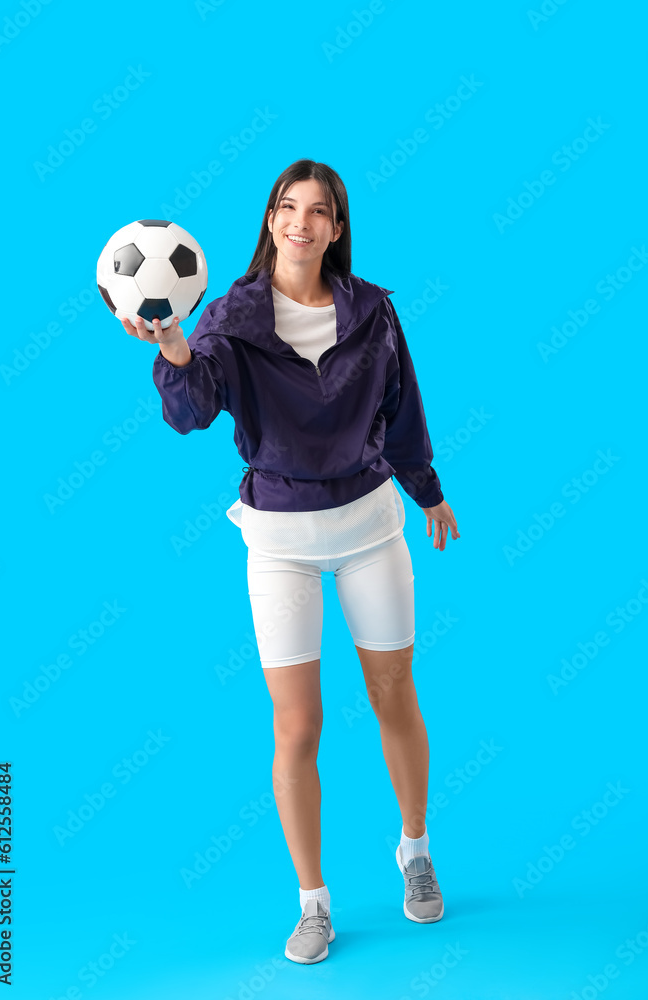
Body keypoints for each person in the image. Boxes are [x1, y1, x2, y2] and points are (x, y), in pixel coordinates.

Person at [120, 159, 460, 965]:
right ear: (269, 220)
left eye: (318, 212)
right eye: (286, 207)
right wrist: (171, 343)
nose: (300, 222)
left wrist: (429, 493)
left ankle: (414, 853)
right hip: (279, 544)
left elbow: (403, 408)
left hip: (371, 525)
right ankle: (313, 904)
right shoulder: (231, 316)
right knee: (296, 725)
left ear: (336, 229)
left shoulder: (373, 311)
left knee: (391, 697)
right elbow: (190, 411)